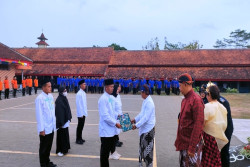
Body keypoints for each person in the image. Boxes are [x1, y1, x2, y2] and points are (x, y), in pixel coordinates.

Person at [174, 73, 204, 167]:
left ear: (186, 84)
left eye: (180, 85)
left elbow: (198, 125)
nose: (179, 88)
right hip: (184, 142)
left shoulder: (196, 100)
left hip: (191, 144)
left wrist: (192, 147)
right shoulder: (185, 100)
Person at [202, 85, 228, 166]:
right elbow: (225, 123)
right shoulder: (223, 107)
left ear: (209, 95)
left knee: (207, 159)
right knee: (216, 158)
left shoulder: (207, 106)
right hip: (219, 137)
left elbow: (201, 122)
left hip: (209, 136)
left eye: (207, 94)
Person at [98, 78, 122, 167]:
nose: (113, 88)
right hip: (105, 131)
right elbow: (105, 116)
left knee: (107, 153)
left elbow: (112, 112)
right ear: (106, 87)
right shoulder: (103, 99)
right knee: (104, 154)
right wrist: (116, 123)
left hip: (111, 130)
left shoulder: (110, 97)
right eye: (111, 87)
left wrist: (119, 116)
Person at [131, 84, 156, 167]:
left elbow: (145, 118)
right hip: (144, 129)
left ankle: (149, 165)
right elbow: (142, 114)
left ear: (145, 92)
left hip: (148, 130)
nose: (140, 94)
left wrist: (136, 125)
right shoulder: (145, 100)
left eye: (141, 92)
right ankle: (141, 164)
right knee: (142, 147)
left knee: (148, 150)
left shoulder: (150, 103)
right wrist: (134, 120)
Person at [35, 79, 57, 167]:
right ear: (43, 87)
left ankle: (47, 161)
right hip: (44, 127)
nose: (50, 88)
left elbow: (52, 110)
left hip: (51, 126)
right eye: (48, 86)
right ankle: (43, 163)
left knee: (49, 146)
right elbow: (39, 115)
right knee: (43, 147)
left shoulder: (50, 96)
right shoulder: (40, 98)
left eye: (51, 86)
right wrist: (41, 129)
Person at [55, 86, 72, 157]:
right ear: (61, 91)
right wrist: (61, 122)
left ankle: (66, 148)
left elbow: (67, 109)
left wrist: (68, 117)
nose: (66, 92)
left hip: (65, 120)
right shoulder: (59, 100)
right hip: (61, 122)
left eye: (66, 90)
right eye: (64, 91)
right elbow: (59, 113)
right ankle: (60, 150)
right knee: (61, 136)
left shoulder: (64, 98)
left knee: (65, 135)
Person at [109, 83, 123, 160]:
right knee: (113, 137)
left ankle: (114, 152)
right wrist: (118, 115)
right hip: (114, 119)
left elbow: (119, 108)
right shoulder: (111, 97)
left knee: (115, 135)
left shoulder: (118, 96)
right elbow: (111, 110)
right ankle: (112, 153)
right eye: (117, 89)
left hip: (118, 118)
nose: (118, 90)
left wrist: (121, 116)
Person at [76, 79, 88, 144]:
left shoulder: (83, 93)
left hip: (83, 113)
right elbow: (79, 105)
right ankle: (78, 139)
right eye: (84, 84)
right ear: (80, 85)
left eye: (85, 84)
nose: (85, 85)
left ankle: (80, 138)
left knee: (82, 126)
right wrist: (81, 114)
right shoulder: (79, 94)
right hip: (81, 114)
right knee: (79, 126)